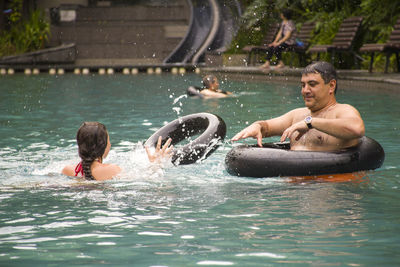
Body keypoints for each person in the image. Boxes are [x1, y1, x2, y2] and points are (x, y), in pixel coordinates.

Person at [232, 61, 365, 151]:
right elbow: (267, 127)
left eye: (312, 84)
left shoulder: (342, 111)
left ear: (331, 86)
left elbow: (357, 129)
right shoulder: (297, 115)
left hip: (327, 186)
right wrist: (257, 126)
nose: (305, 90)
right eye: (303, 85)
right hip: (293, 186)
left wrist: (310, 122)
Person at [62, 122, 173, 181]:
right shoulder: (112, 170)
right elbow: (145, 180)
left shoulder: (67, 170)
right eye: (109, 140)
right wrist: (155, 165)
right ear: (104, 146)